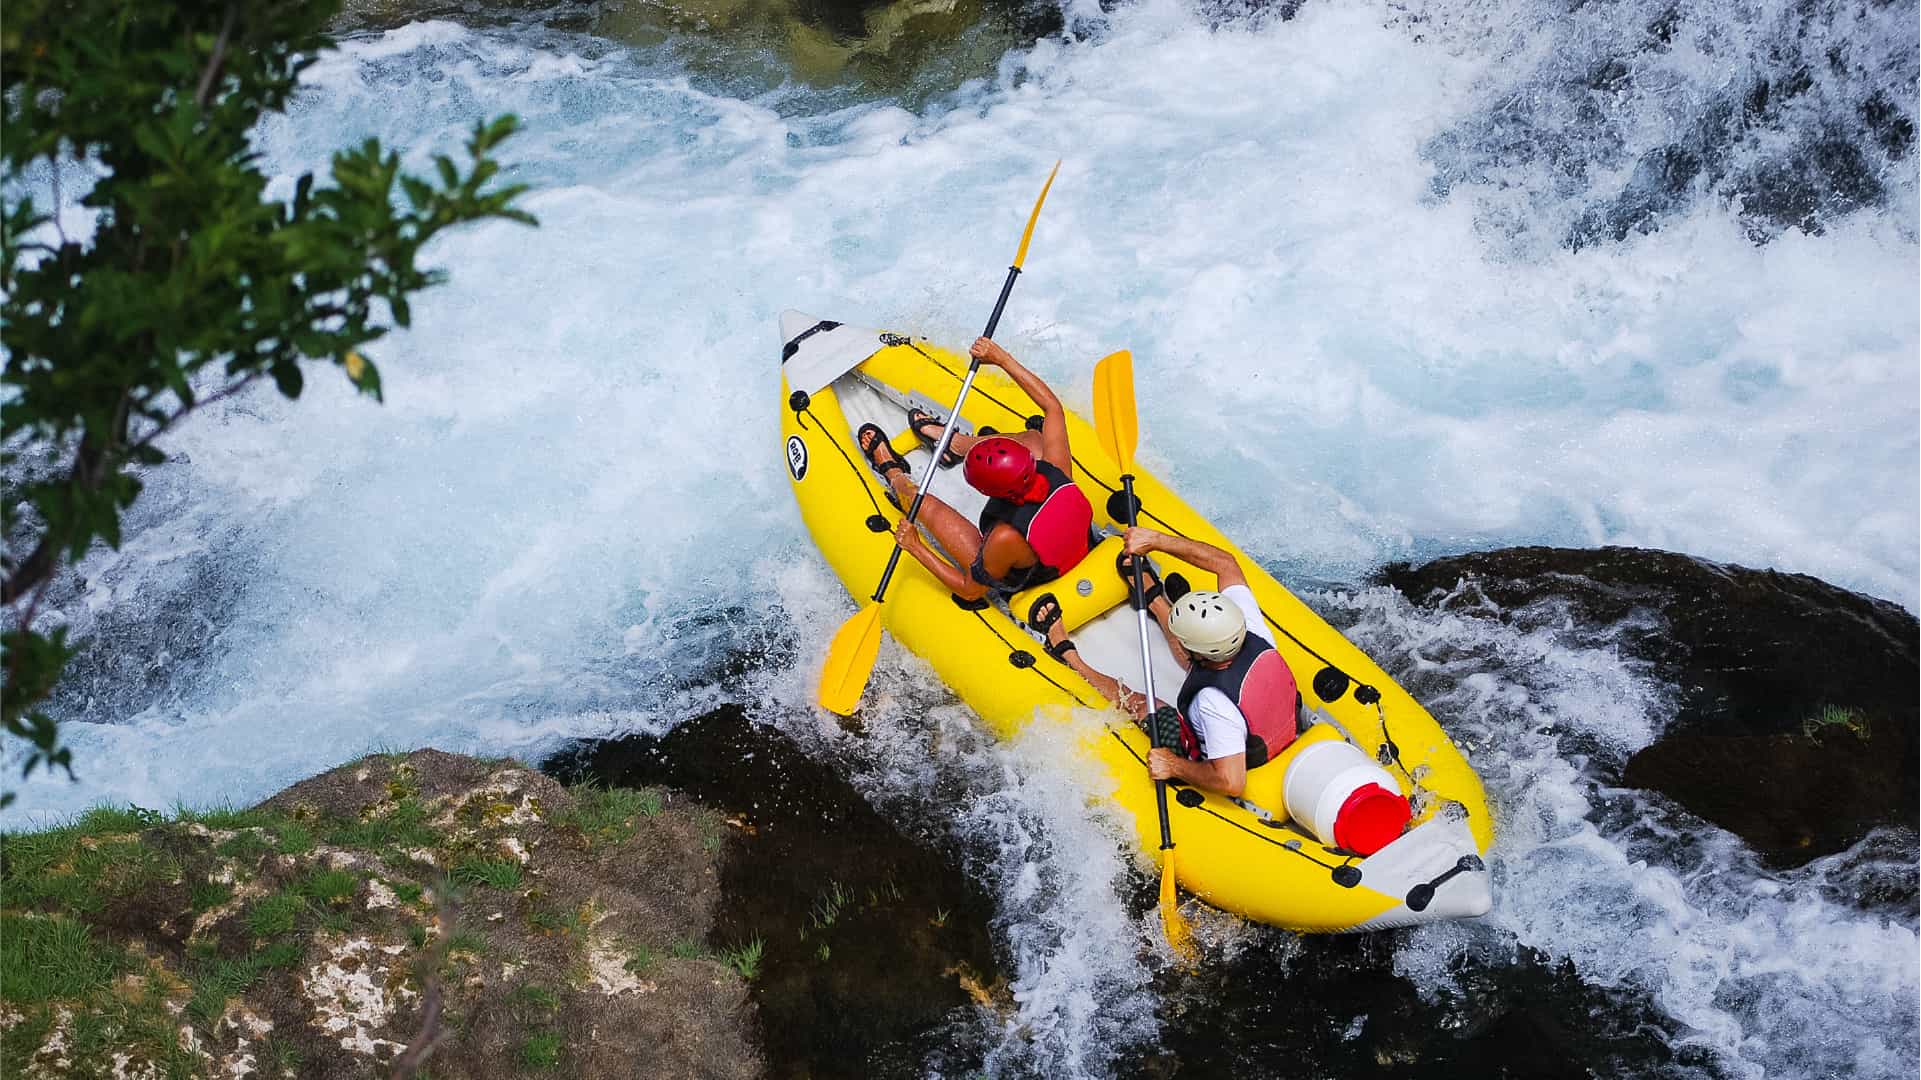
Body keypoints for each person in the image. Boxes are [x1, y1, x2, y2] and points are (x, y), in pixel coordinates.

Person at [859, 336, 1095, 602]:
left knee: (922, 504)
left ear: (988, 493)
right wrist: (1002, 359)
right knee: (1034, 438)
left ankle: (893, 473)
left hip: (1039, 572)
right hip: (1070, 539)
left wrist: (915, 546)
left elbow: (970, 590)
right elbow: (1052, 406)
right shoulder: (1057, 467)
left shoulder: (1004, 538)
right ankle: (955, 445)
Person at [1120, 526, 1302, 799]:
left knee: (1142, 704)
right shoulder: (1253, 628)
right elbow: (1225, 563)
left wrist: (1172, 765)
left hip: (1240, 757)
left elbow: (1231, 782)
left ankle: (1067, 654)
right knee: (1196, 654)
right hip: (1269, 728)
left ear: (1200, 655)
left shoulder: (1212, 703)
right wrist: (1156, 540)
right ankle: (1154, 600)